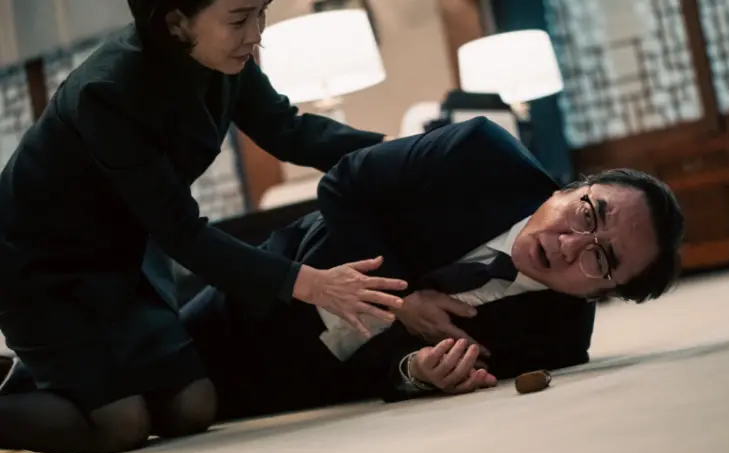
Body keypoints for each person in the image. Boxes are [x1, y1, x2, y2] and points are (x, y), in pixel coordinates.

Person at [0, 0, 409, 453]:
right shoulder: (108, 91)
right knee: (120, 425)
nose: (256, 33)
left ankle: (46, 378)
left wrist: (396, 154)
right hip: (41, 267)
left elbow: (289, 131)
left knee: (191, 408)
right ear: (176, 22)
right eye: (239, 18)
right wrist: (313, 284)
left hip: (123, 256)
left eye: (261, 11)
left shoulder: (225, 59)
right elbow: (183, 233)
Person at [174, 116, 686, 420]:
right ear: (570, 188)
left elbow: (399, 374)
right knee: (149, 370)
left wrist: (416, 372)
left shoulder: (558, 343)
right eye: (587, 213)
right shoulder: (478, 152)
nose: (570, 244)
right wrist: (404, 302)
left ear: (603, 294)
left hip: (301, 389)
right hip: (267, 293)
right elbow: (344, 182)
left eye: (601, 259)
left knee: (184, 413)